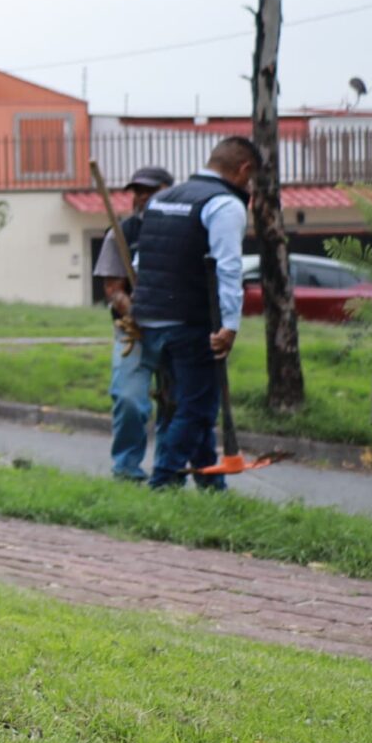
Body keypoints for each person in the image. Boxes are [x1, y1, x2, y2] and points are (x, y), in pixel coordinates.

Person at [131, 136, 259, 492]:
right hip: (192, 323)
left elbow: (143, 261)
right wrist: (230, 326)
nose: (249, 188)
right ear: (243, 170)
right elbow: (228, 269)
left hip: (151, 320)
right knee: (198, 408)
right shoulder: (223, 204)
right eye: (250, 181)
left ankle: (211, 486)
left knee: (188, 404)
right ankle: (164, 482)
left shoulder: (162, 199)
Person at [90, 165, 174, 482]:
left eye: (149, 190)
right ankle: (126, 469)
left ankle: (169, 472)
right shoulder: (121, 232)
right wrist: (137, 312)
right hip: (133, 333)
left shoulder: (186, 229)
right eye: (136, 191)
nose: (141, 197)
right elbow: (113, 289)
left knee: (175, 403)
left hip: (176, 329)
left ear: (169, 190)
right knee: (127, 399)